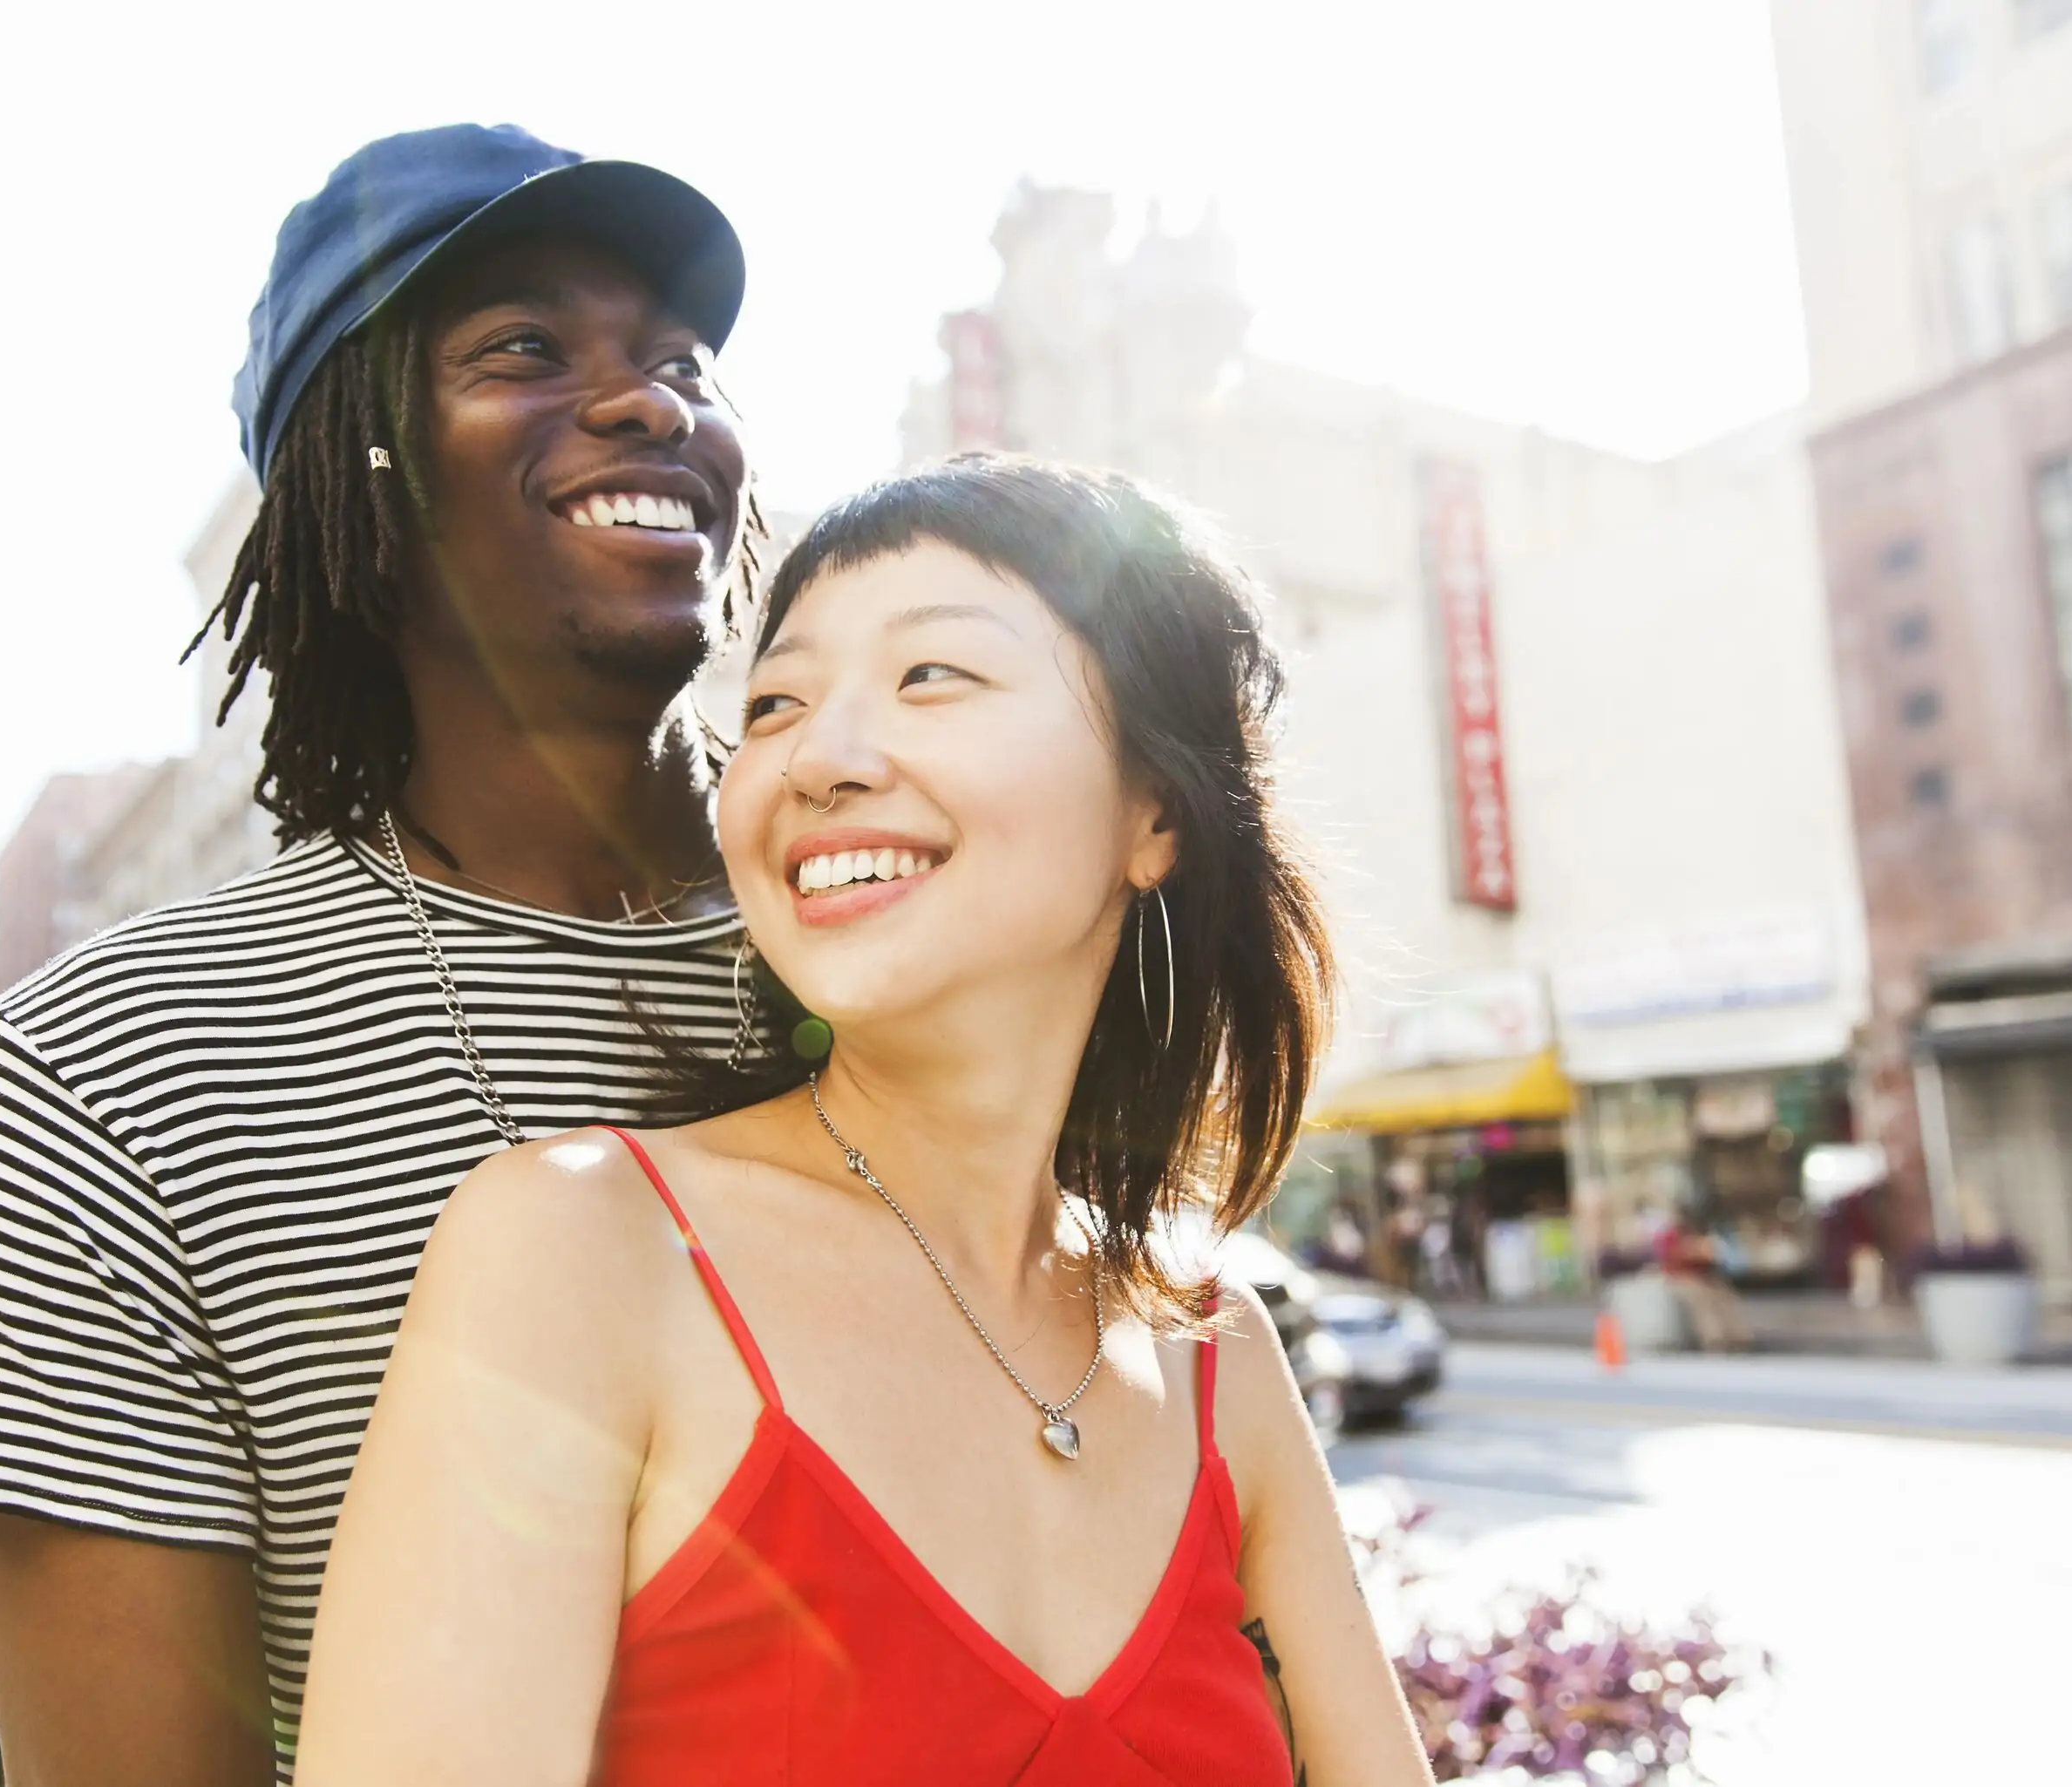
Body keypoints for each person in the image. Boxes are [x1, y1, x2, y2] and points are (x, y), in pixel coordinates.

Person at [297, 459, 1437, 1786]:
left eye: (931, 676)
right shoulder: (585, 1244)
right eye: (773, 702)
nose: (816, 760)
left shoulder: (1217, 1349)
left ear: (1156, 812)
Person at [0, 123, 760, 1787]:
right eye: (521, 348)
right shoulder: (110, 1069)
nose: (656, 403)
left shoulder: (926, 929)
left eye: (681, 360)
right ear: (357, 466)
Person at [1654, 1209, 1752, 1353]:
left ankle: (1739, 1336)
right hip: (1680, 1277)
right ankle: (1714, 1339)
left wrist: (1708, 1253)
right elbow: (1672, 1257)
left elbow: (1711, 1258)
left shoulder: (1701, 1233)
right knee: (1700, 1297)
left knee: (1724, 1293)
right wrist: (1692, 1252)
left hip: (1703, 1276)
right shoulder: (1671, 1236)